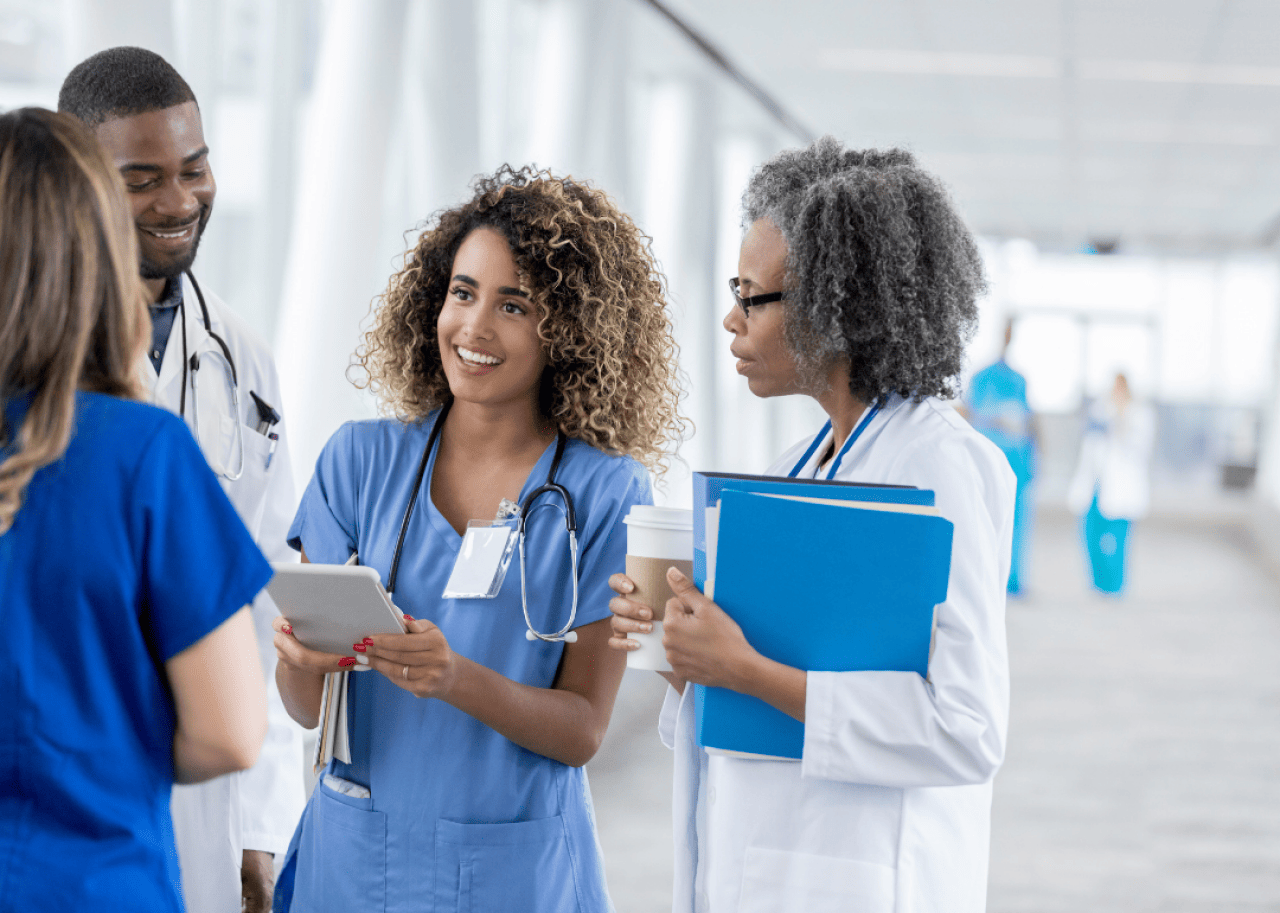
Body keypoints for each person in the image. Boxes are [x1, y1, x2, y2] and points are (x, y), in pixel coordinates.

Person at [609, 139, 1016, 913]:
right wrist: (680, 650)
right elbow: (756, 682)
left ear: (838, 307)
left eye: (751, 295)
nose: (731, 318)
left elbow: (966, 729)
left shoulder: (942, 467)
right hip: (761, 866)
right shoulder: (801, 464)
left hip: (864, 878)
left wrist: (747, 670)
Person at [270, 165, 684, 911]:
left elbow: (584, 728)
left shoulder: (602, 492)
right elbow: (304, 706)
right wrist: (301, 660)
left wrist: (453, 676)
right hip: (356, 861)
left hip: (512, 876)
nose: (475, 328)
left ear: (568, 330)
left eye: (514, 305)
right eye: (463, 292)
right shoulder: (358, 463)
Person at [0, 107, 269, 911]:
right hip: (93, 884)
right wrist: (95, 745)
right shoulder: (142, 453)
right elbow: (229, 729)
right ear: (98, 252)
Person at [58, 47, 304, 912]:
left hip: (207, 795)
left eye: (194, 169)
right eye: (142, 178)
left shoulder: (242, 354)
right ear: (80, 182)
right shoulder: (33, 364)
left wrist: (261, 821)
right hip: (63, 782)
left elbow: (264, 601)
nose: (179, 200)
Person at [966, 319, 1038, 594]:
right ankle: (987, 578)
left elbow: (1029, 422)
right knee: (984, 518)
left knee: (1017, 521)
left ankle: (1013, 580)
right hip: (990, 456)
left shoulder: (1019, 379)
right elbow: (972, 414)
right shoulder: (982, 377)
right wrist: (997, 420)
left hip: (1017, 459)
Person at [1067, 372, 1155, 595]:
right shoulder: (1100, 408)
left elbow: (1140, 447)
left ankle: (1115, 586)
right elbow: (1089, 442)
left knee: (1117, 541)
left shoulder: (1140, 414)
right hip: (1095, 484)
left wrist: (1119, 421)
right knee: (1090, 536)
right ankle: (1097, 583)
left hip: (1121, 489)